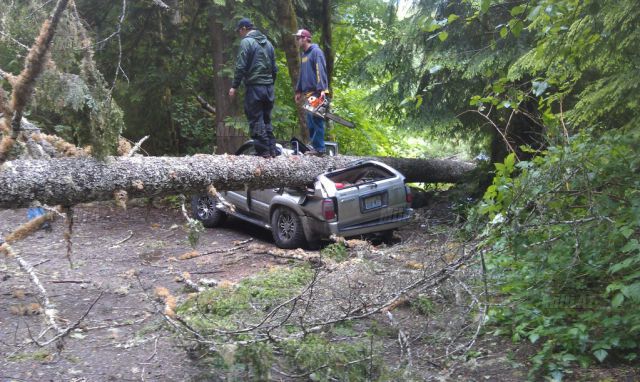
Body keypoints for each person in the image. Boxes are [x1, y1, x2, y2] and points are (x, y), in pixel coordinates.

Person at [229, 18, 278, 158]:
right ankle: (272, 150)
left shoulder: (247, 42)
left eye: (239, 31)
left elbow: (240, 66)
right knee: (266, 119)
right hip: (268, 88)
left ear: (244, 28)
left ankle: (263, 152)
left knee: (256, 119)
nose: (239, 34)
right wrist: (269, 83)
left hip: (255, 87)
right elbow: (274, 69)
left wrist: (234, 86)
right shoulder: (268, 43)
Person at [293, 29, 329, 156]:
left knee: (316, 119)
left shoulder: (316, 52)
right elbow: (302, 74)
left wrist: (322, 89)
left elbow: (321, 70)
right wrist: (298, 90)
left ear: (305, 38)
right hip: (308, 94)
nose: (297, 41)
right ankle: (315, 147)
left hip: (318, 92)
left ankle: (320, 149)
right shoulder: (304, 55)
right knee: (310, 121)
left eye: (298, 38)